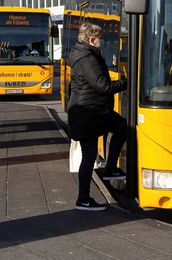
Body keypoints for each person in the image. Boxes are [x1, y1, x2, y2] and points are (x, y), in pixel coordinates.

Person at [67, 22, 127, 211]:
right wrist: (126, 83)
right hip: (89, 113)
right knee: (120, 127)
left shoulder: (83, 54)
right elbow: (102, 86)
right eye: (100, 38)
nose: (102, 41)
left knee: (92, 153)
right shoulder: (87, 58)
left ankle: (84, 197)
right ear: (92, 40)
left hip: (87, 112)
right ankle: (84, 198)